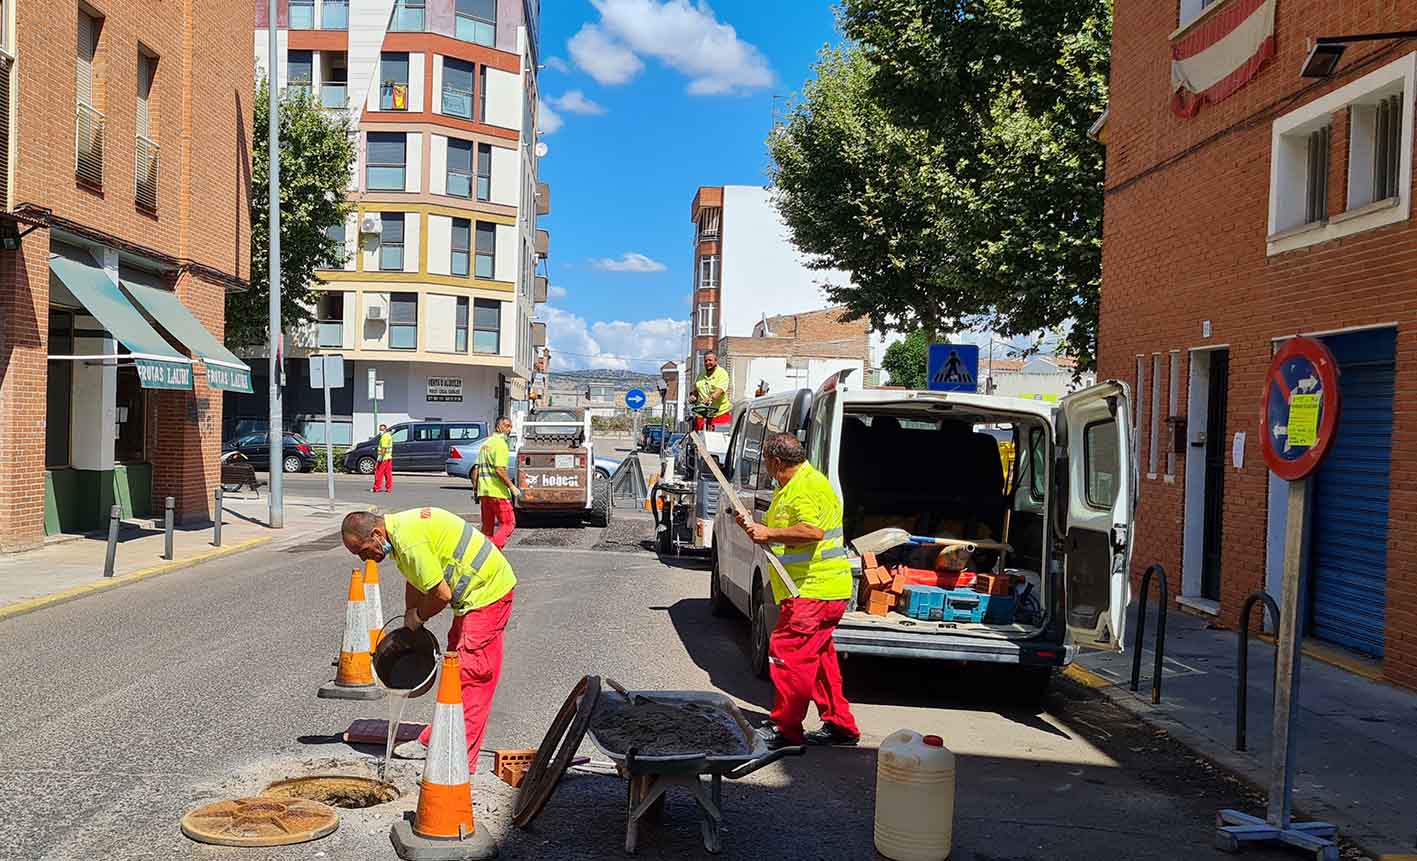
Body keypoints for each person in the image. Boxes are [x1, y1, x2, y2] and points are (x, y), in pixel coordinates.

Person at [341, 508, 516, 771]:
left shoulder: (411, 542)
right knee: (455, 664)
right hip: (475, 595)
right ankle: (442, 740)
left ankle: (455, 759)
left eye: (364, 550)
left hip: (487, 593)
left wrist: (419, 617)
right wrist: (409, 621)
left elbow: (442, 594)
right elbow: (417, 581)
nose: (367, 559)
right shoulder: (400, 535)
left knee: (472, 675)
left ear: (377, 534)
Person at [735, 432, 860, 750]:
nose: (766, 467)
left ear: (776, 461)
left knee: (789, 654)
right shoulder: (799, 482)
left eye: (766, 462)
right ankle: (840, 725)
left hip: (812, 590)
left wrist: (769, 532)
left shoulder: (804, 487)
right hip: (821, 589)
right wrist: (756, 528)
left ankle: (785, 727)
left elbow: (811, 531)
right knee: (818, 659)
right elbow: (789, 531)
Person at [473, 416, 519, 549]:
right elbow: (499, 469)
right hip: (497, 492)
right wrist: (511, 486)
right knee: (508, 523)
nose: (509, 429)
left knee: (487, 528)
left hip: (484, 493)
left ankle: (481, 553)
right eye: (506, 426)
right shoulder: (500, 444)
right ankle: (492, 551)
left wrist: (476, 490)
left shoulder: (486, 444)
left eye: (510, 426)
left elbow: (476, 470)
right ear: (498, 427)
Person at [691, 351, 732, 431]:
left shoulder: (722, 373)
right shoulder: (701, 374)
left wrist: (710, 398)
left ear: (716, 361)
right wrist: (693, 397)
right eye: (705, 361)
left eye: (710, 360)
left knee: (715, 438)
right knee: (699, 438)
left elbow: (719, 390)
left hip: (719, 414)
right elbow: (696, 390)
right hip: (702, 413)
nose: (707, 363)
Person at [372, 424, 394, 493]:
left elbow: (383, 449)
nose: (381, 431)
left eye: (382, 429)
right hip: (388, 458)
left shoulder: (384, 437)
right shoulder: (389, 436)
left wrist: (380, 458)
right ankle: (389, 488)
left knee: (378, 473)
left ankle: (376, 488)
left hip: (383, 458)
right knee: (388, 474)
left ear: (385, 429)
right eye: (380, 429)